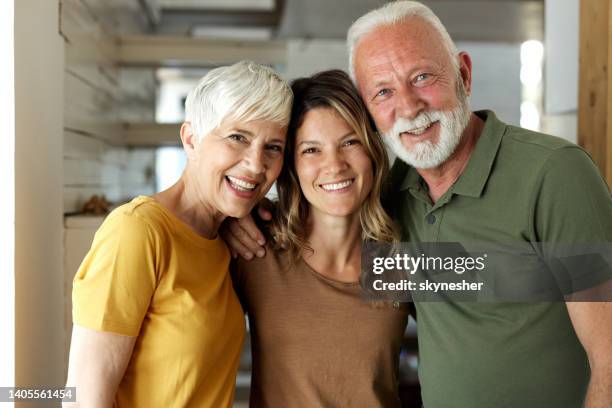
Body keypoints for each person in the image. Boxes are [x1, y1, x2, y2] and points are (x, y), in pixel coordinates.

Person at [224, 2, 612, 407]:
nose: (409, 107)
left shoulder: (553, 173)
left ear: (464, 73)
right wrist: (236, 213)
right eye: (384, 91)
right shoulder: (397, 203)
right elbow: (491, 280)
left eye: (423, 77)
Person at [64, 61, 292, 407]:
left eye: (273, 147)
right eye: (237, 138)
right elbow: (83, 396)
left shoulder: (224, 236)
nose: (256, 164)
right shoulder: (137, 231)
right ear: (191, 139)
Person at [230, 70, 409, 407]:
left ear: (372, 150)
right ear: (291, 166)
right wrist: (226, 217)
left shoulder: (401, 255)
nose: (335, 165)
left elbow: (509, 282)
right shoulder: (255, 248)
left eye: (350, 142)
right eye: (312, 150)